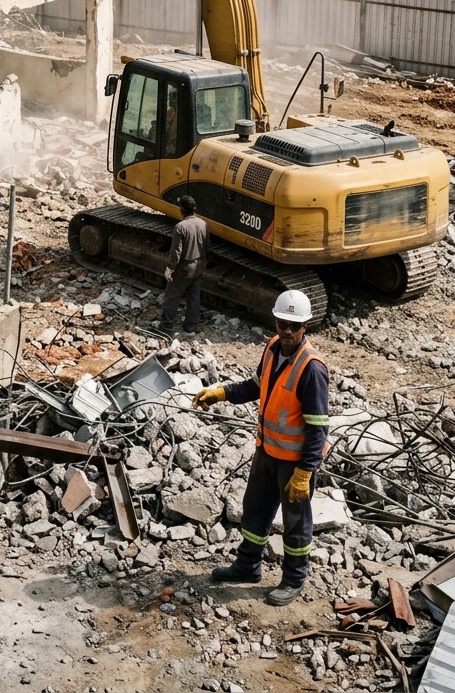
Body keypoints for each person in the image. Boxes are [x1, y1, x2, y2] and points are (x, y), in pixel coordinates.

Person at [192, 290, 329, 606]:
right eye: (283, 323)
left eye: (294, 326)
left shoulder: (312, 368)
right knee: (254, 511)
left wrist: (305, 473)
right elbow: (255, 386)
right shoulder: (271, 349)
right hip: (267, 452)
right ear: (276, 321)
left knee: (296, 525)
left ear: (305, 327)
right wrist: (222, 393)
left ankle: (293, 579)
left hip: (294, 464)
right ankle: (247, 566)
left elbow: (319, 429)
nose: (287, 331)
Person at [159, 193, 210, 336]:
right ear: (195, 208)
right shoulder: (203, 224)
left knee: (171, 297)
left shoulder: (180, 227)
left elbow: (176, 251)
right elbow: (207, 246)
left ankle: (166, 327)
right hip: (199, 266)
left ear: (181, 209)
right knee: (194, 297)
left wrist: (170, 268)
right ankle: (190, 327)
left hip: (184, 268)